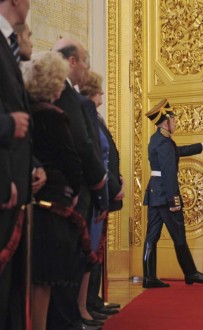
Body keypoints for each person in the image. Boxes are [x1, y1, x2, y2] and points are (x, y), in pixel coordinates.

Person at [22, 50, 84, 330]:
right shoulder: (54, 116)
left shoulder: (28, 112)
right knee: (45, 279)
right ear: (52, 82)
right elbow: (71, 160)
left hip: (30, 201)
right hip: (52, 206)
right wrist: (78, 187)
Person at [49, 38, 107, 329]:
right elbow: (83, 146)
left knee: (77, 256)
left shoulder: (71, 97)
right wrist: (99, 181)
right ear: (71, 62)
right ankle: (68, 319)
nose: (86, 67)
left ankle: (74, 314)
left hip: (77, 187)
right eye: (84, 61)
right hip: (74, 189)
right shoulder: (66, 97)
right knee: (70, 258)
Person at [142, 98, 203, 288]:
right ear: (166, 122)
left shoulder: (157, 139)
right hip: (166, 196)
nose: (176, 122)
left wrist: (202, 145)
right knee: (179, 236)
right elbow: (168, 173)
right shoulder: (165, 143)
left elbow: (178, 151)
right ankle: (191, 273)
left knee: (152, 236)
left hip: (155, 193)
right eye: (173, 119)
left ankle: (149, 277)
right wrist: (174, 200)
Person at [80, 71, 123, 318]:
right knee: (92, 247)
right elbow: (97, 157)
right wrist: (113, 186)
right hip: (98, 191)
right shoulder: (89, 118)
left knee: (98, 247)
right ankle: (87, 303)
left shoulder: (95, 118)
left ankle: (94, 300)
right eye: (100, 90)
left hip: (106, 189)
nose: (103, 94)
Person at [0, 1, 32, 329]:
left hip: (15, 185)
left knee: (10, 292)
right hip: (4, 186)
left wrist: (31, 166)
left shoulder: (9, 46)